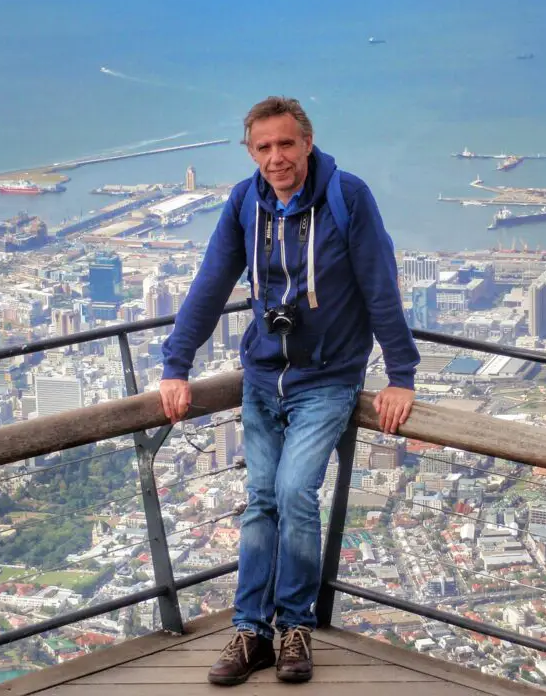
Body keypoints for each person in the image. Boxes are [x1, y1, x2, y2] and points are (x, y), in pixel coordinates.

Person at [158, 96, 419, 686]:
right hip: (261, 376)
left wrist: (400, 375)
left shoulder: (346, 198)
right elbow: (211, 283)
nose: (276, 157)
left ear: (307, 142)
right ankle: (251, 631)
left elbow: (380, 284)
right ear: (251, 152)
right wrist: (176, 364)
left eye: (285, 144)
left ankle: (294, 627)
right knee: (261, 501)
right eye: (263, 147)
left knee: (296, 491)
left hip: (326, 378)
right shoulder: (244, 202)